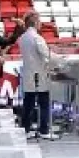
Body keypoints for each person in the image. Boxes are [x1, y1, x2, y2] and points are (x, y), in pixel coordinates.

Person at [18, 11, 54, 139]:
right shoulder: (37, 38)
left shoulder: (22, 38)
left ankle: (25, 128)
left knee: (28, 102)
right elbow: (47, 55)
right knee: (44, 102)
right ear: (35, 23)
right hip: (39, 74)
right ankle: (44, 129)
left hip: (28, 73)